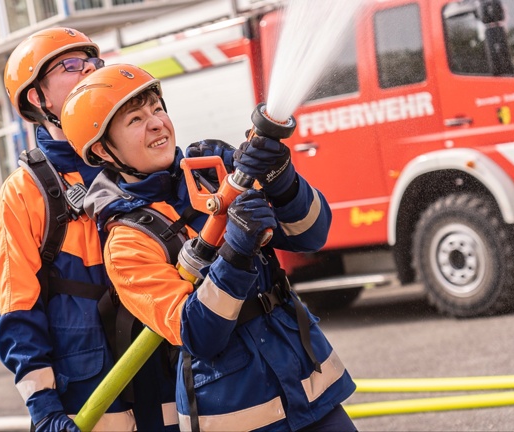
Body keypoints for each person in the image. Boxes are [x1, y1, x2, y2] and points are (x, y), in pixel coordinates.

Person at [60, 64, 358, 431]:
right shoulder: (126, 244)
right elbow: (198, 333)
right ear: (104, 151)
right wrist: (236, 251)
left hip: (310, 392)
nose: (156, 123)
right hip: (237, 415)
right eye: (135, 120)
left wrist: (282, 181)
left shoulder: (212, 172)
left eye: (157, 109)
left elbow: (311, 235)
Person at [0, 28, 179, 432]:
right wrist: (43, 408)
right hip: (95, 400)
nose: (90, 69)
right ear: (38, 99)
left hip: (172, 383)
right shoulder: (22, 196)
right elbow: (18, 312)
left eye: (93, 61)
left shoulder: (143, 163)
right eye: (71, 66)